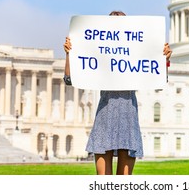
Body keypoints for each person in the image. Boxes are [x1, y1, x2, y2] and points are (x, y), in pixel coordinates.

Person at [63, 10, 172, 175]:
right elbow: (69, 79)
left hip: (128, 117)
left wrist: (163, 59)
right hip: (105, 116)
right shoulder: (98, 50)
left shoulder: (137, 50)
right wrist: (70, 54)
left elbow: (158, 79)